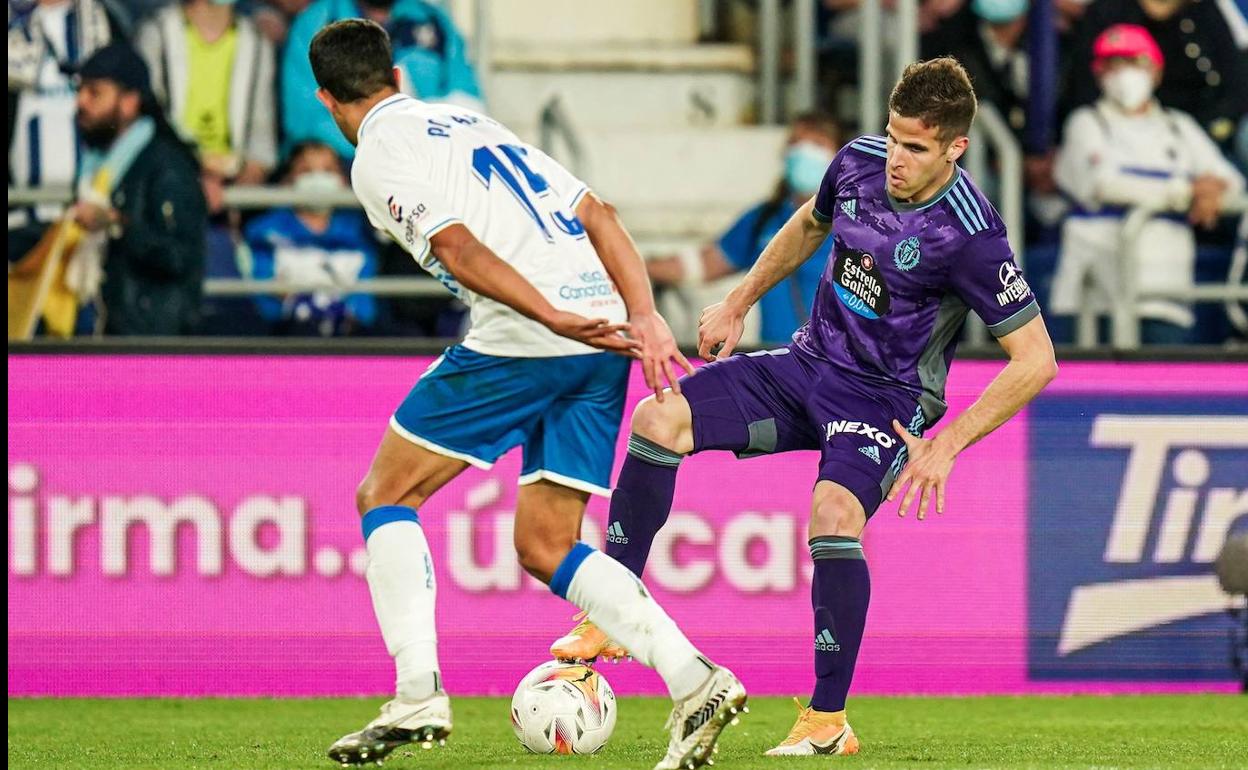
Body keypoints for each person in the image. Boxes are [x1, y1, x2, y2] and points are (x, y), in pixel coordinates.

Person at [551, 57, 1059, 756]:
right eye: (893, 136)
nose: (896, 160)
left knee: (832, 514)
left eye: (916, 147)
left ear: (955, 148)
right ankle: (612, 613)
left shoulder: (970, 235)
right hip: (807, 366)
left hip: (887, 399)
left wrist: (945, 446)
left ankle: (827, 721)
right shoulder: (856, 161)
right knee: (657, 419)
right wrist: (738, 300)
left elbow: (1036, 359)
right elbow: (808, 226)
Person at [307, 20, 745, 770]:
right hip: (602, 332)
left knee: (385, 494)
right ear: (399, 73)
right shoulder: (463, 117)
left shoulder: (378, 153)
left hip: (531, 337)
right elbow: (598, 214)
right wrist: (641, 314)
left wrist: (545, 315)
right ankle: (695, 680)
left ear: (324, 98)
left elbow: (454, 247)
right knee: (546, 545)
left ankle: (417, 694)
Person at [1051, 24, 1245, 344]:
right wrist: (1186, 192)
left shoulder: (1179, 127)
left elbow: (1232, 184)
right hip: (1093, 299)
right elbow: (1105, 185)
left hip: (1164, 294)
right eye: (1114, 65)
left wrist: (1213, 192)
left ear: (1156, 71)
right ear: (1099, 73)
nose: (1125, 74)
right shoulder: (1086, 122)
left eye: (1135, 63)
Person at [646, 112, 840, 346]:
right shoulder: (764, 219)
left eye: (817, 144)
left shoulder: (855, 221)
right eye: (796, 144)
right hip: (779, 358)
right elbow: (706, 263)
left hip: (835, 361)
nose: (804, 153)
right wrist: (636, 269)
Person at [71, 43, 207, 335]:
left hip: (150, 341)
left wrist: (116, 224)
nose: (80, 102)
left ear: (130, 101)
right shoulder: (95, 167)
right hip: (105, 330)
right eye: (80, 91)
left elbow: (178, 255)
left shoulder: (167, 166)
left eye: (94, 92)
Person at [283, 0, 483, 159]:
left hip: (432, 157)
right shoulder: (318, 20)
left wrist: (416, 144)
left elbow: (469, 104)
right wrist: (383, 148)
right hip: (346, 163)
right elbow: (304, 119)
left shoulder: (435, 22)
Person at [136, 0, 278, 215]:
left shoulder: (256, 43)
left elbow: (261, 140)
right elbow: (146, 121)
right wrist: (191, 178)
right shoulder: (156, 34)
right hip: (168, 184)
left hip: (229, 194)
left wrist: (239, 193)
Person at [1064, 0, 1248, 150]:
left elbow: (1236, 83)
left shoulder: (1203, 10)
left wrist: (1204, 134)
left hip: (1204, 130)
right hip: (1129, 131)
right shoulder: (1107, 11)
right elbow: (1084, 88)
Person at [240, 141, 379, 336]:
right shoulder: (264, 230)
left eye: (328, 170)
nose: (318, 178)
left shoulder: (360, 231)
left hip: (349, 336)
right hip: (286, 335)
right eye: (306, 171)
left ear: (343, 181)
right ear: (288, 180)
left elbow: (365, 302)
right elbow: (263, 294)